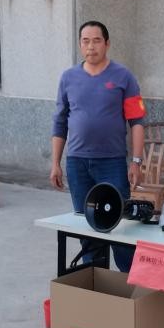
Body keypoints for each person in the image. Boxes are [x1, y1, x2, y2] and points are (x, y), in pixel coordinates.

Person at [50, 20, 146, 272]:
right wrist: (55, 163)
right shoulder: (68, 78)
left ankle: (130, 283)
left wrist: (136, 162)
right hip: (77, 164)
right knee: (88, 225)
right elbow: (60, 122)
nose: (91, 46)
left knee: (121, 225)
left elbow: (137, 121)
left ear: (107, 43)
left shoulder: (123, 76)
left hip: (112, 163)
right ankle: (94, 280)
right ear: (80, 44)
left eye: (96, 40)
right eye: (85, 41)